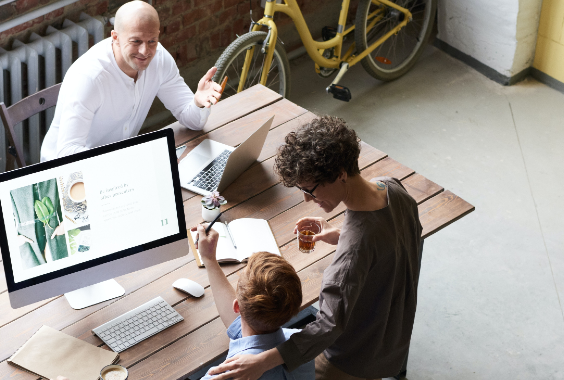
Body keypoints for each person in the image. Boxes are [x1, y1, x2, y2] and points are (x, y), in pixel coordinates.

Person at [206, 116, 424, 380]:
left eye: (310, 189)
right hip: (393, 335)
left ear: (341, 174)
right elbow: (395, 236)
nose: (307, 198)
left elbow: (328, 325)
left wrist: (263, 362)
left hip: (352, 360)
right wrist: (342, 235)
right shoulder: (391, 187)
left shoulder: (353, 253)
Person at [39, 0, 223, 162]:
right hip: (67, 173)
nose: (145, 51)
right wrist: (129, 162)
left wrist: (198, 102)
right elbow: (67, 154)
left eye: (152, 40)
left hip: (119, 164)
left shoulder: (160, 60)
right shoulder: (90, 78)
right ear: (116, 38)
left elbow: (193, 122)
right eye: (136, 41)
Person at [193, 223, 316, 380]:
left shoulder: (224, 374)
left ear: (237, 306)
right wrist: (209, 260)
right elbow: (241, 325)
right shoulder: (303, 344)